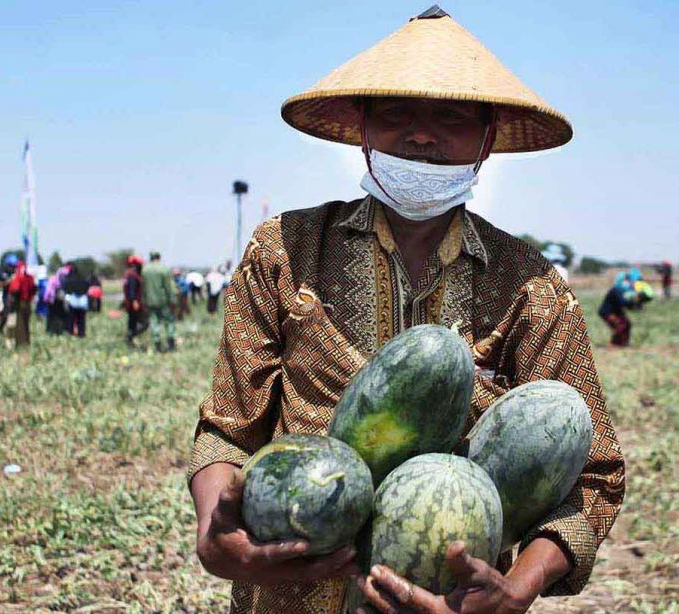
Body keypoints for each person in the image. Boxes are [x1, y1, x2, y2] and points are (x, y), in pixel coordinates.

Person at [187, 8, 624, 614]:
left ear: (487, 138)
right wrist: (217, 536)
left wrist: (516, 588)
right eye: (396, 112)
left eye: (451, 115)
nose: (422, 135)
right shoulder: (286, 249)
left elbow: (594, 476)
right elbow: (227, 431)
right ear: (361, 126)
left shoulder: (529, 284)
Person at [142, 252, 177, 352]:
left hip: (150, 301)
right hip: (163, 301)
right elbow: (168, 287)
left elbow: (143, 288)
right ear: (159, 257)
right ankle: (171, 344)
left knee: (154, 322)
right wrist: (172, 300)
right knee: (169, 321)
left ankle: (157, 344)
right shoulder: (163, 269)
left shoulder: (145, 270)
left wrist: (144, 300)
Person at [6, 262, 37, 349]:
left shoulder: (18, 278)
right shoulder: (30, 278)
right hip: (28, 304)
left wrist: (11, 301)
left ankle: (21, 344)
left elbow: (15, 290)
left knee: (20, 325)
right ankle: (27, 342)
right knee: (26, 324)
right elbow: (34, 289)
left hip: (19, 303)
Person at [599, 272, 631, 346]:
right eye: (625, 280)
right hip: (607, 312)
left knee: (628, 324)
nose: (627, 282)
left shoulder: (623, 290)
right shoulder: (616, 290)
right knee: (620, 325)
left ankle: (624, 342)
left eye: (628, 280)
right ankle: (613, 343)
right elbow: (623, 302)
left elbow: (626, 303)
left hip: (616, 311)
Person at [123, 255, 147, 346]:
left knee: (132, 323)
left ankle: (130, 341)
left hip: (129, 303)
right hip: (134, 303)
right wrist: (134, 301)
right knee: (145, 323)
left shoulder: (128, 274)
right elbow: (131, 290)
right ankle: (130, 336)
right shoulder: (133, 275)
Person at [62, 263, 90, 337]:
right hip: (82, 302)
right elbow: (87, 286)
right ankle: (81, 333)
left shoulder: (68, 279)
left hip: (72, 301)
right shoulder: (82, 278)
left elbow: (65, 288)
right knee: (81, 319)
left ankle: (71, 332)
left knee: (71, 318)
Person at [43, 264, 69, 335]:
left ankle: (53, 330)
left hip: (55, 300)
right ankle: (56, 330)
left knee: (54, 316)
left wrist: (46, 298)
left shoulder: (54, 279)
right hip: (57, 300)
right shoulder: (61, 280)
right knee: (57, 316)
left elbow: (48, 290)